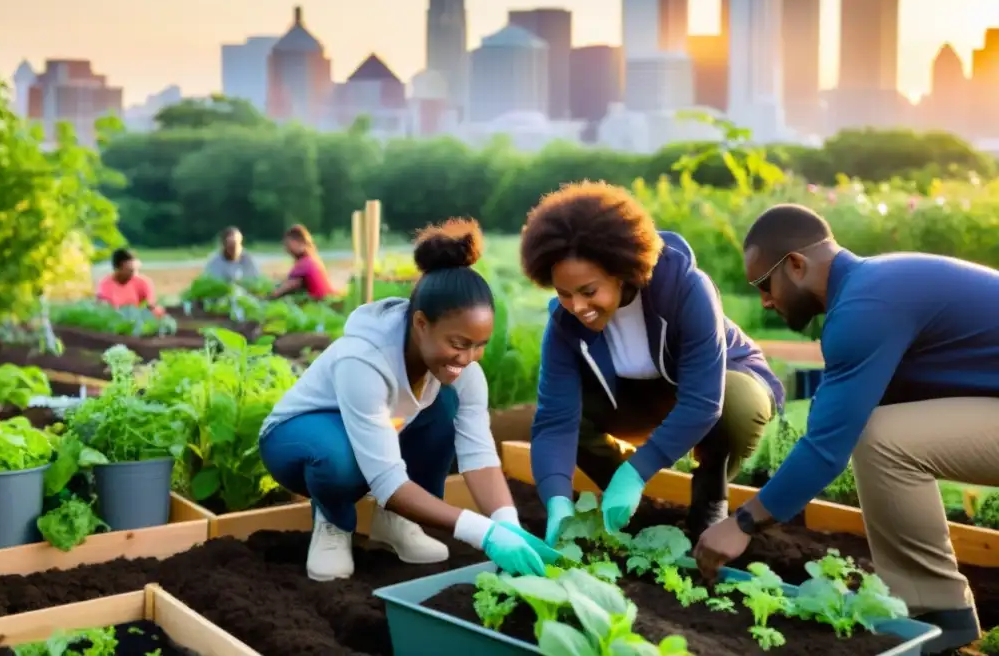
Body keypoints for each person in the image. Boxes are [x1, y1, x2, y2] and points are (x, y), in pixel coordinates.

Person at [694, 203, 999, 654]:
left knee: (881, 439)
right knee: (879, 429)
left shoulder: (865, 306)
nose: (765, 301)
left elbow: (825, 447)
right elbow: (836, 414)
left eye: (764, 285)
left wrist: (742, 522)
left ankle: (936, 612)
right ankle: (934, 608)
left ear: (795, 265)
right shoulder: (876, 288)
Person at [258, 218, 559, 582]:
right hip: (296, 437)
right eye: (459, 344)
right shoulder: (364, 359)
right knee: (339, 457)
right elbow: (386, 479)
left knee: (445, 408)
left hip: (366, 436)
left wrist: (507, 523)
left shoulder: (464, 373)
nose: (468, 357)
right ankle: (333, 522)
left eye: (480, 346)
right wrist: (483, 533)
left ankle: (396, 522)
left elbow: (478, 455)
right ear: (420, 324)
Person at [519, 181, 784, 546]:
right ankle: (631, 507)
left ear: (621, 271)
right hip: (636, 400)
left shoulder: (685, 288)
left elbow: (703, 402)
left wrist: (637, 471)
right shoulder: (565, 323)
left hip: (711, 387)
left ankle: (708, 503)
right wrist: (558, 504)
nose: (577, 306)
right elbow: (554, 423)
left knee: (735, 404)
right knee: (570, 415)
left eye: (589, 291)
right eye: (564, 293)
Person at [269, 224, 335, 301]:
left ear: (298, 242)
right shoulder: (312, 259)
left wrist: (266, 298)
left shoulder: (304, 263)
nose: (287, 250)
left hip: (320, 303)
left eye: (288, 245)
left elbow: (288, 286)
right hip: (328, 300)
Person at [96, 248, 164, 315]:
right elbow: (102, 305)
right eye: (130, 270)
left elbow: (151, 304)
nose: (134, 273)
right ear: (118, 267)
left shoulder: (143, 282)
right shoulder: (105, 284)